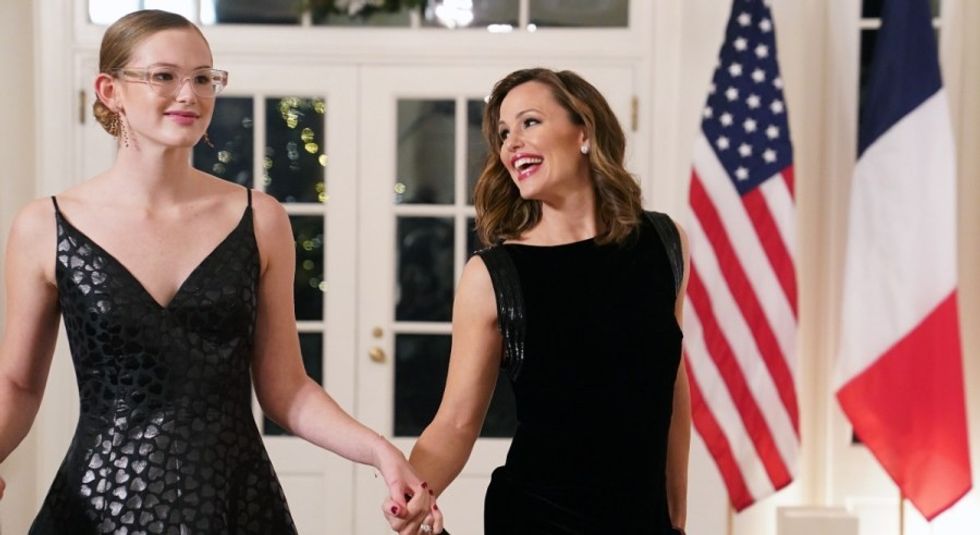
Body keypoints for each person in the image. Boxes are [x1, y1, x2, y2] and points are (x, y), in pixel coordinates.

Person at [0, 10, 440, 534]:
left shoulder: (261, 219)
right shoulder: (45, 225)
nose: (189, 94)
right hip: (100, 504)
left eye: (203, 78)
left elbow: (287, 390)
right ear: (110, 89)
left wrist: (380, 452)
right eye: (164, 76)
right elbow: (19, 382)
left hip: (235, 503)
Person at [384, 68, 691, 535]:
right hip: (535, 519)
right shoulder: (492, 276)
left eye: (529, 123)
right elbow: (456, 423)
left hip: (640, 520)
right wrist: (412, 493)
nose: (510, 144)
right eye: (503, 133)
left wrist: (676, 513)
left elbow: (671, 386)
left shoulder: (665, 243)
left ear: (583, 130)